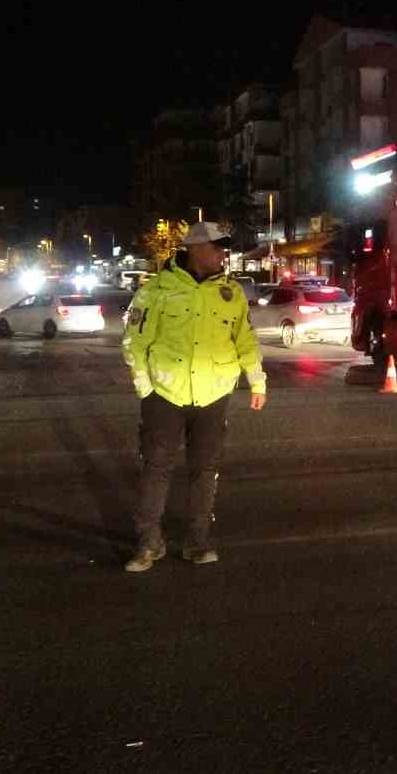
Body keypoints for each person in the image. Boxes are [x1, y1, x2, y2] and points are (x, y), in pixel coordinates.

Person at [121, 221, 267, 572]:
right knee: (156, 469)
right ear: (195, 249)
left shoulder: (230, 292)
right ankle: (149, 543)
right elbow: (134, 343)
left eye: (223, 247)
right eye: (216, 247)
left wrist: (257, 381)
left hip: (213, 394)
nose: (222, 254)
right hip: (164, 394)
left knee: (205, 471)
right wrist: (146, 388)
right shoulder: (157, 290)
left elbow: (244, 338)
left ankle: (197, 541)